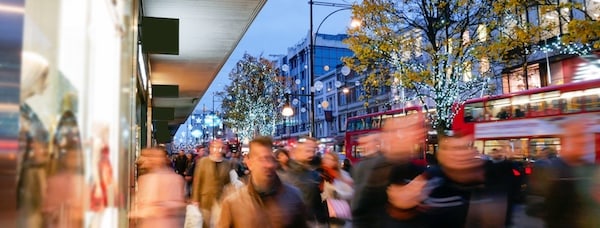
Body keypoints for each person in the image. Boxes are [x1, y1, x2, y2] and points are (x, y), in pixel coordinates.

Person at [217, 136, 308, 227]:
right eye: (262, 159)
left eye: (271, 159)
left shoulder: (293, 196)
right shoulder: (233, 203)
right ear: (249, 163)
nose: (268, 165)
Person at [279, 137, 329, 227]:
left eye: (313, 150)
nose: (311, 154)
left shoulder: (314, 173)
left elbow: (320, 201)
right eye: (307, 150)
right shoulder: (285, 175)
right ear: (296, 151)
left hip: (314, 221)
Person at [131, 148, 186, 228]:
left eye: (150, 157)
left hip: (165, 224)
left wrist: (160, 208)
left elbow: (179, 203)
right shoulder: (144, 179)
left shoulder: (173, 179)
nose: (145, 161)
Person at [191, 139, 234, 227]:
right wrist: (195, 199)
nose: (218, 150)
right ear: (210, 149)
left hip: (220, 199)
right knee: (206, 223)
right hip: (205, 199)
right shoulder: (203, 162)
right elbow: (198, 180)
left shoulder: (227, 164)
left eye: (221, 148)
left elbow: (228, 183)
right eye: (215, 147)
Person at [321, 152, 354, 227]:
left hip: (339, 212)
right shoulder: (319, 173)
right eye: (325, 158)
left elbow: (351, 193)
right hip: (323, 212)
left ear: (335, 162)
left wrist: (337, 194)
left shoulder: (343, 175)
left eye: (329, 159)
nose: (326, 160)